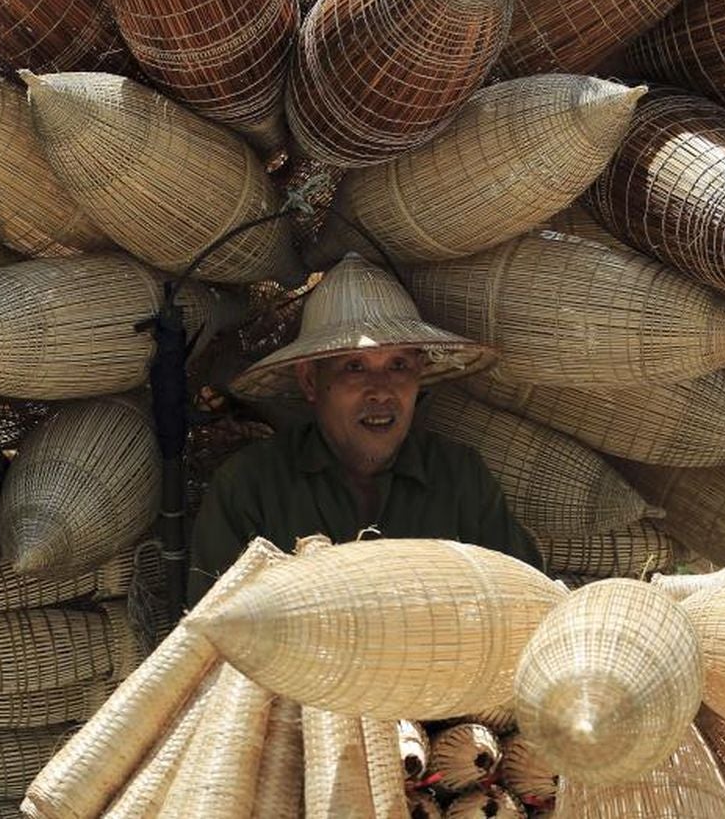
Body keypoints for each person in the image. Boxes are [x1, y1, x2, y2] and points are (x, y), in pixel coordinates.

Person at [187, 253, 542, 604]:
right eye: (355, 367)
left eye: (398, 365)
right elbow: (212, 636)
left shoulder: (460, 479)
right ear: (311, 381)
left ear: (419, 374)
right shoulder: (251, 487)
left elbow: (527, 601)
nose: (381, 390)